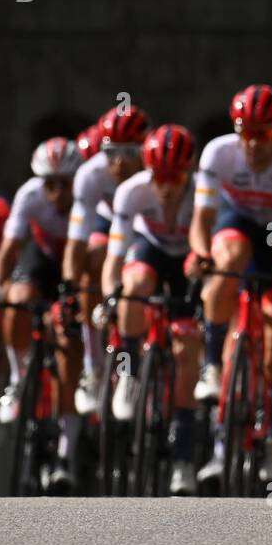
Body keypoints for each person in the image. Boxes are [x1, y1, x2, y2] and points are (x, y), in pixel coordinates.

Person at [191, 85, 272, 485]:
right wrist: (201, 254)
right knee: (228, 260)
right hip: (235, 223)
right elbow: (202, 220)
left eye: (265, 133)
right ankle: (211, 363)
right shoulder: (219, 153)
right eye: (246, 133)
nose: (254, 143)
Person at [97, 124, 199, 494]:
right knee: (133, 286)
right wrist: (112, 296)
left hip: (188, 259)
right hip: (151, 250)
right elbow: (113, 259)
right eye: (160, 176)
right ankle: (129, 372)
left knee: (187, 349)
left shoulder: (203, 192)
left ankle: (184, 457)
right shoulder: (132, 191)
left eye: (176, 177)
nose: (167, 186)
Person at [0, 138, 83, 491]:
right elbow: (9, 250)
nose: (56, 192)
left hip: (76, 263)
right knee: (17, 297)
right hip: (40, 262)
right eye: (49, 183)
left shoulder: (88, 198)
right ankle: (18, 373)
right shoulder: (29, 195)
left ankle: (67, 449)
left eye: (64, 184)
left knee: (70, 343)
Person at [64, 104, 151, 414]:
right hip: (109, 222)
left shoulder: (154, 168)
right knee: (92, 257)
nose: (118, 163)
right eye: (111, 152)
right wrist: (69, 289)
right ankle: (93, 365)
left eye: (129, 153)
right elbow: (76, 240)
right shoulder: (91, 173)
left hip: (144, 225)